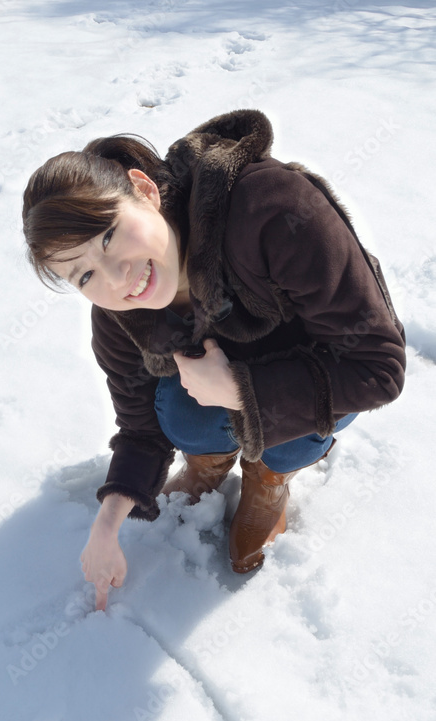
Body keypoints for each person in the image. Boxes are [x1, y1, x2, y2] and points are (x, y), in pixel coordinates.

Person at [22, 108, 405, 610]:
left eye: (109, 237)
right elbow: (139, 425)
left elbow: (377, 367)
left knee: (287, 440)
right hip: (226, 384)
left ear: (144, 189)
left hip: (329, 368)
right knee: (176, 412)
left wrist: (240, 392)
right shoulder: (120, 315)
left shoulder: (269, 208)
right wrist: (108, 522)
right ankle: (210, 462)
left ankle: (270, 478)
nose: (117, 279)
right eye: (84, 276)